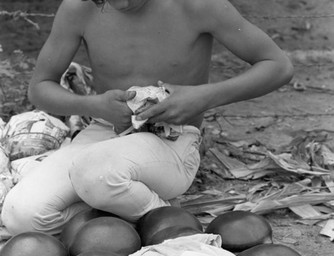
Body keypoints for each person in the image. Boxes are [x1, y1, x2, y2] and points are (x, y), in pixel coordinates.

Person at [2, 0, 293, 236]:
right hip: (104, 132)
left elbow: (278, 66)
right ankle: (124, 207)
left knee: (96, 173)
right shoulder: (80, 8)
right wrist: (94, 106)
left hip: (173, 139)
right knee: (20, 215)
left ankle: (169, 224)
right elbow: (40, 88)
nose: (121, 3)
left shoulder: (199, 5)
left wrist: (202, 96)